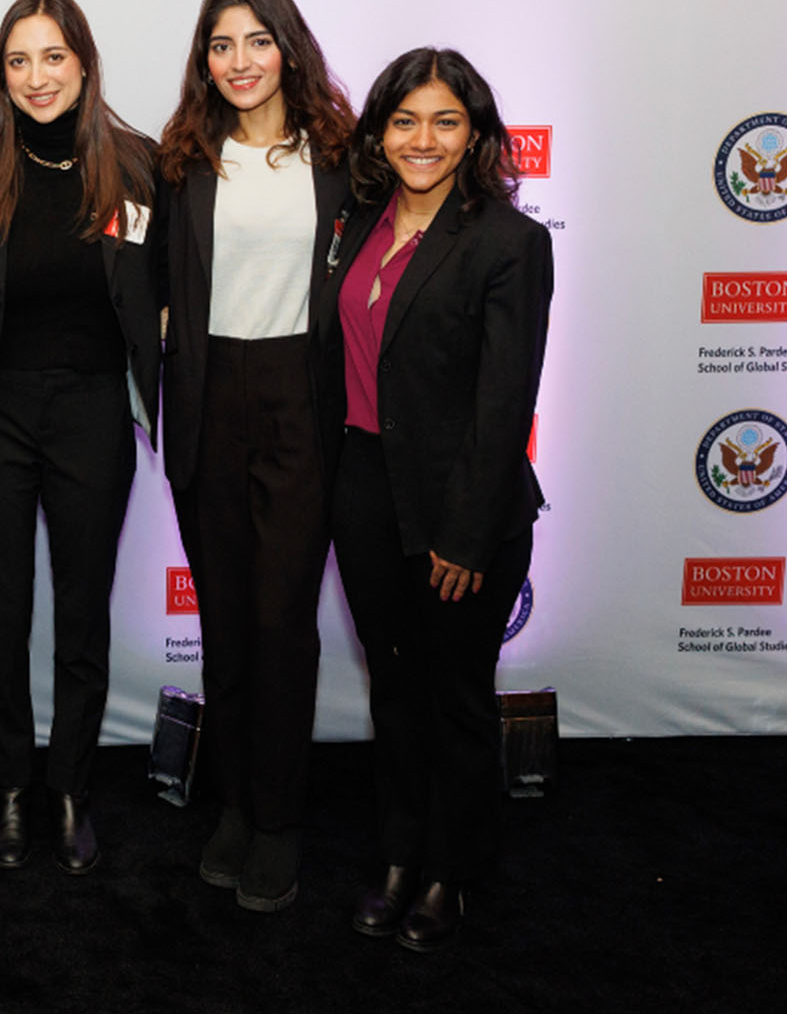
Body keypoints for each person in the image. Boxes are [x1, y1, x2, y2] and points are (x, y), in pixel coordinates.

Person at [311, 47, 552, 952]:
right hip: (364, 488)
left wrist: (466, 533)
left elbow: (505, 406)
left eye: (445, 121)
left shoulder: (507, 241)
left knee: (455, 696)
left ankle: (455, 869)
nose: (424, 139)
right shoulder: (359, 222)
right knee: (393, 689)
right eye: (405, 120)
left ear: (476, 134)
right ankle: (400, 854)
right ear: (379, 132)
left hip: (462, 503)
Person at [0, 0, 161, 874]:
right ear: (2, 74)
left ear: (84, 62)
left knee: (82, 609)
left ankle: (70, 787)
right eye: (18, 61)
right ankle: (8, 785)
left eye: (53, 58)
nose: (37, 77)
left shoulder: (141, 168)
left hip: (92, 411)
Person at [155, 0, 354, 912]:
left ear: (289, 48)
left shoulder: (345, 160)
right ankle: (235, 803)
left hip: (302, 407)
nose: (239, 61)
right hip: (208, 404)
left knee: (283, 621)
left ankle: (279, 818)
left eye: (257, 41)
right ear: (205, 60)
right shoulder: (185, 162)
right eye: (222, 44)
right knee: (225, 621)